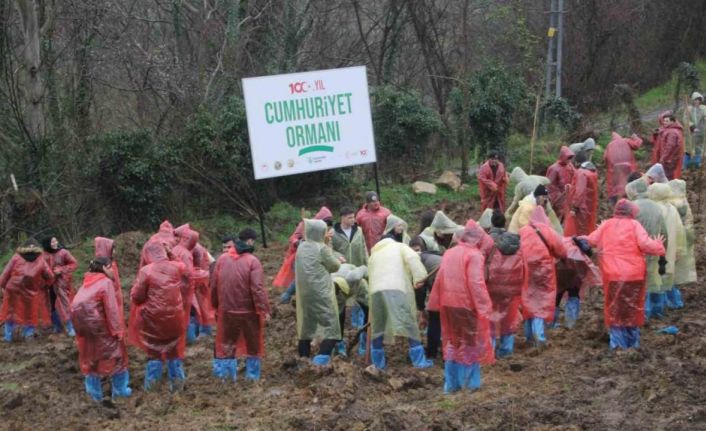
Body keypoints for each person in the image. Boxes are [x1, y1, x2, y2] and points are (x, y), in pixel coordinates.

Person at [581, 200, 665, 349]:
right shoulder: (634, 225)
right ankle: (633, 344)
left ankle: (618, 346)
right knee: (632, 307)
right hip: (634, 275)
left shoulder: (607, 225)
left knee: (615, 308)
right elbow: (645, 244)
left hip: (612, 275)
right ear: (631, 212)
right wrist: (658, 244)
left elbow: (591, 240)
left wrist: (576, 239)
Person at [428, 221, 494, 393]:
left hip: (447, 303)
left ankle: (451, 385)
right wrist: (484, 306)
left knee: (452, 341)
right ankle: (470, 384)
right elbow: (476, 283)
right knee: (469, 342)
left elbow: (440, 278)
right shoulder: (474, 255)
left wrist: (435, 302)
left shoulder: (449, 252)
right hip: (465, 305)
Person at [368, 215, 432, 369]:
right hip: (396, 288)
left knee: (378, 324)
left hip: (376, 291)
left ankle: (377, 363)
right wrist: (419, 279)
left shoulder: (374, 254)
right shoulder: (399, 247)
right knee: (408, 322)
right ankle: (418, 361)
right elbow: (413, 260)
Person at [211, 228, 270, 382]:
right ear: (250, 242)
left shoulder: (222, 260)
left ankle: (227, 378)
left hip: (227, 311)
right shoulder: (253, 261)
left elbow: (214, 286)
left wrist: (216, 306)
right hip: (248, 312)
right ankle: (252, 379)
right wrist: (264, 309)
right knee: (253, 344)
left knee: (227, 343)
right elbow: (257, 289)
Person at [128, 242, 188, 391]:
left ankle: (152, 387)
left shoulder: (146, 271)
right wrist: (171, 253)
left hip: (153, 319)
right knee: (173, 350)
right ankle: (178, 385)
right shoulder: (175, 268)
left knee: (154, 352)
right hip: (175, 317)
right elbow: (184, 266)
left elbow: (137, 297)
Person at [71, 257, 131, 401]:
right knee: (118, 358)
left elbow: (74, 307)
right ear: (104, 268)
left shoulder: (86, 284)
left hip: (86, 332)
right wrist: (118, 332)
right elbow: (112, 310)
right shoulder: (105, 283)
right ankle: (121, 391)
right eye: (111, 268)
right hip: (102, 329)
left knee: (91, 361)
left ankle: (93, 395)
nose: (113, 271)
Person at [295, 219, 341, 366]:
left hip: (304, 294)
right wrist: (328, 244)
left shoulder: (301, 247)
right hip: (321, 293)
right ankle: (320, 360)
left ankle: (303, 358)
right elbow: (335, 266)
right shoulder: (321, 248)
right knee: (332, 326)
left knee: (307, 326)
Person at [518, 207, 567, 345]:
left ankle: (529, 336)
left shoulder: (522, 231)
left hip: (526, 268)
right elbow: (561, 250)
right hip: (544, 269)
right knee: (541, 301)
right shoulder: (548, 231)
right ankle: (539, 335)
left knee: (528, 299)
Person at [485, 211, 527, 358]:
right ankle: (506, 350)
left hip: (492, 285)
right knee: (509, 317)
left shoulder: (488, 241)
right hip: (512, 286)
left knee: (490, 318)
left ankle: (489, 350)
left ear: (491, 223)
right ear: (505, 224)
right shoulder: (514, 241)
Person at [625, 179, 668, 320]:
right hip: (653, 247)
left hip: (635, 250)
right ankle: (656, 311)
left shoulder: (631, 207)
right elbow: (664, 232)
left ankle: (642, 313)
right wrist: (663, 251)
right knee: (652, 279)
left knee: (638, 283)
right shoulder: (656, 207)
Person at [275, 207, 333, 303]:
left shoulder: (323, 229)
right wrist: (300, 243)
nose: (326, 225)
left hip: (313, 256)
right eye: (325, 222)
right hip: (299, 256)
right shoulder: (305, 225)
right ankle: (286, 297)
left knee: (308, 278)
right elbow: (293, 238)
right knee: (301, 277)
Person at [0, 239, 54, 341]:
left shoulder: (16, 257)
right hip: (31, 290)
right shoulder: (41, 259)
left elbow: (5, 274)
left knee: (10, 312)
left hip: (13, 289)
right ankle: (28, 334)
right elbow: (50, 276)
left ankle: (8, 337)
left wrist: (2, 286)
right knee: (30, 313)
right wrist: (44, 285)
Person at [647, 183, 686, 318]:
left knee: (654, 278)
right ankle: (663, 306)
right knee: (666, 277)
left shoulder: (653, 209)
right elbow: (680, 231)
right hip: (670, 248)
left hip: (656, 247)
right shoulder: (672, 209)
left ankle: (653, 309)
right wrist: (680, 249)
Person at [172, 227, 209, 343]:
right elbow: (189, 273)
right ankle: (190, 338)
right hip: (186, 288)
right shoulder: (186, 253)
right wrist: (204, 274)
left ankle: (186, 336)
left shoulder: (175, 249)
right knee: (190, 312)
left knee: (183, 313)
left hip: (176, 287)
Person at [409, 236, 443, 359]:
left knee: (434, 317)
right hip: (453, 284)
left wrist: (421, 309)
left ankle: (432, 352)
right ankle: (446, 350)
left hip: (442, 283)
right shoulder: (434, 256)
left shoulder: (416, 261)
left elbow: (420, 288)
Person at [667, 179, 697, 308]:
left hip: (676, 239)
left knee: (670, 270)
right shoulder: (683, 201)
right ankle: (675, 298)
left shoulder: (675, 203)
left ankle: (672, 299)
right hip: (685, 237)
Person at [42, 236, 78, 336]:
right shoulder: (43, 255)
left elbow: (74, 263)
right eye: (52, 242)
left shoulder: (63, 252)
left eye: (55, 241)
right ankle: (57, 326)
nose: (55, 243)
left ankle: (71, 327)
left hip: (61, 283)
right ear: (47, 244)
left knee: (65, 304)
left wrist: (61, 270)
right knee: (51, 304)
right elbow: (40, 268)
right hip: (48, 284)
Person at [331, 264, 368, 357]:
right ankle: (339, 346)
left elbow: (364, 268)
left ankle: (364, 343)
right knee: (339, 316)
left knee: (367, 310)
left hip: (359, 287)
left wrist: (370, 280)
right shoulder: (328, 285)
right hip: (338, 290)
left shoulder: (353, 276)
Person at [604, 132, 643, 205]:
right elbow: (636, 145)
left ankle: (615, 203)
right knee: (629, 182)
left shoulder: (609, 145)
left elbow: (605, 158)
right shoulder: (626, 141)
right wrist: (636, 138)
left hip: (615, 170)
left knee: (616, 186)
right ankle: (632, 200)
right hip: (629, 168)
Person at [563, 161, 599, 237]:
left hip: (581, 208)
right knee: (588, 230)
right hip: (590, 207)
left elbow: (580, 191)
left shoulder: (582, 173)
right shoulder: (593, 173)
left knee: (580, 232)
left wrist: (574, 208)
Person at [94, 237, 124, 320]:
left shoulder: (111, 263)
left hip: (114, 296)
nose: (114, 252)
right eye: (113, 249)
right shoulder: (99, 266)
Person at [545, 146, 576, 221]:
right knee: (555, 218)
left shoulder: (570, 166)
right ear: (563, 157)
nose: (569, 160)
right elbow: (550, 185)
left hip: (568, 196)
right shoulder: (554, 168)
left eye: (570, 158)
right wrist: (559, 198)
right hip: (558, 198)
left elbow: (575, 177)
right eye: (568, 157)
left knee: (567, 217)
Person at [653, 112, 685, 180]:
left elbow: (670, 147)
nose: (664, 122)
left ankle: (667, 188)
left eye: (667, 121)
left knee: (667, 176)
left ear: (672, 121)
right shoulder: (668, 130)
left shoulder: (672, 132)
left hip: (669, 159)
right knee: (667, 175)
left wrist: (663, 158)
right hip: (669, 158)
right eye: (664, 121)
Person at [685, 92, 706, 168]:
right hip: (691, 132)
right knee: (689, 148)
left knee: (700, 148)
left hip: (701, 131)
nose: (697, 101)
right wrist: (692, 126)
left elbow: (705, 115)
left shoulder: (703, 108)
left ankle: (699, 163)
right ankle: (686, 165)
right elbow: (685, 119)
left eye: (698, 100)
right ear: (693, 101)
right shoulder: (689, 109)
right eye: (695, 100)